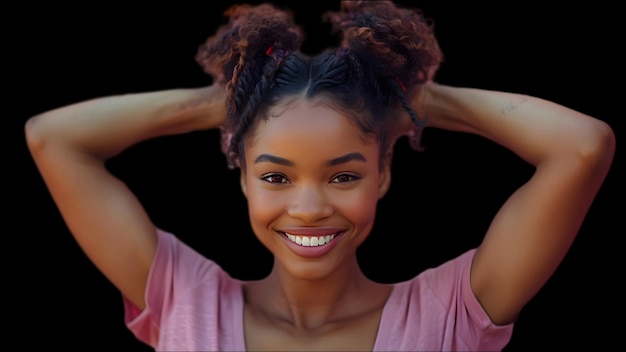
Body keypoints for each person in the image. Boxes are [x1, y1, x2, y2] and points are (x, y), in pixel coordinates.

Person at [24, 1, 615, 351]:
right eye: (277, 178)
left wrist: (417, 102)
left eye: (342, 176)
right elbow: (54, 139)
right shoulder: (186, 301)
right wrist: (229, 104)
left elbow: (583, 148)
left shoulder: (449, 314)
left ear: (383, 173)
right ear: (243, 180)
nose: (308, 208)